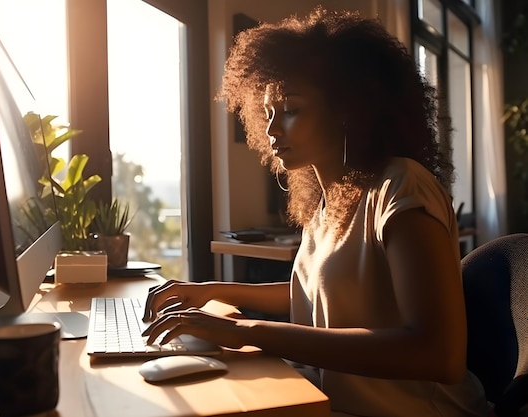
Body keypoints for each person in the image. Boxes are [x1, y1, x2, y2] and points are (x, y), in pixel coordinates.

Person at [142, 6, 489, 417]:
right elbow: (319, 297)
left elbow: (438, 355)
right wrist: (210, 291)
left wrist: (245, 330)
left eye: (290, 109)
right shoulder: (326, 203)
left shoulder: (400, 187)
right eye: (268, 113)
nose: (272, 130)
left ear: (348, 107)